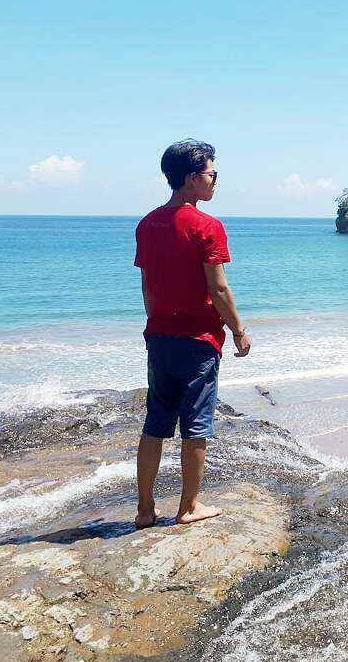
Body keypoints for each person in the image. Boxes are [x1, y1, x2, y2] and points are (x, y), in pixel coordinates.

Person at [133, 140, 251, 528]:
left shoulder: (147, 223)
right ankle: (188, 507)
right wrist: (238, 330)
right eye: (212, 174)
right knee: (196, 426)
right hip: (198, 340)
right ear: (190, 178)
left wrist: (157, 325)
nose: (216, 181)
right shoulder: (207, 226)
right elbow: (218, 288)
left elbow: (148, 284)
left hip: (160, 336)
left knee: (155, 425)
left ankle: (145, 510)